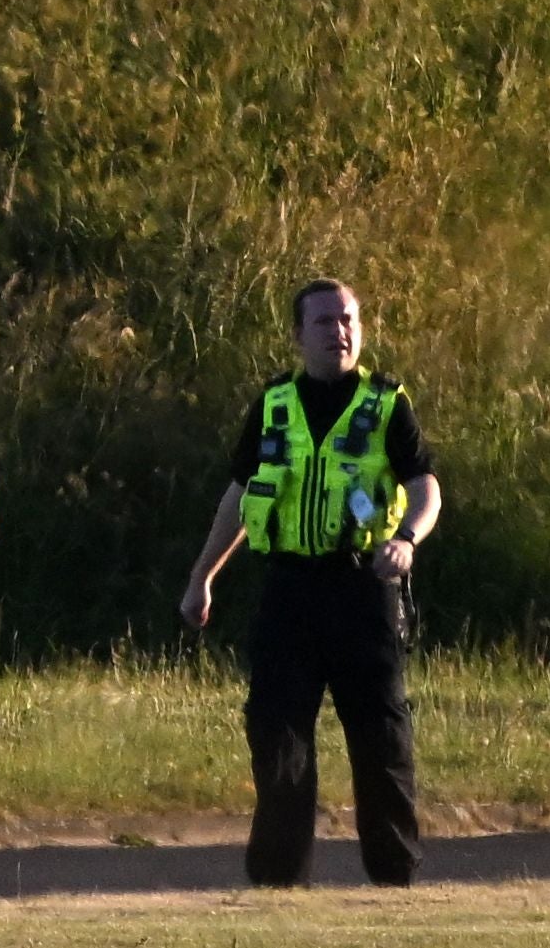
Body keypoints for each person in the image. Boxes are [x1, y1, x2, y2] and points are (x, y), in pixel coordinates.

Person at [179, 277, 442, 887]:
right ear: (299, 335)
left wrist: (406, 541)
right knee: (277, 735)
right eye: (324, 322)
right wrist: (202, 579)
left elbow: (424, 485)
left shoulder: (385, 403)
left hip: (363, 588)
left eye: (348, 319)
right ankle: (278, 880)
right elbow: (240, 497)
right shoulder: (273, 405)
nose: (339, 332)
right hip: (290, 591)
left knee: (381, 740)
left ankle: (393, 877)